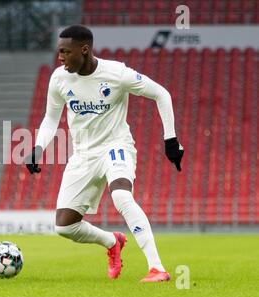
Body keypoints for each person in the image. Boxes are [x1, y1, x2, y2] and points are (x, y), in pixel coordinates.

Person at [24, 25, 184, 282]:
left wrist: (171, 139)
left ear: (84, 50)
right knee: (64, 226)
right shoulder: (59, 78)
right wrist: (38, 147)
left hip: (115, 146)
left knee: (121, 196)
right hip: (83, 154)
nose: (60, 58)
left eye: (65, 52)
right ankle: (112, 242)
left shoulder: (117, 74)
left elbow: (161, 94)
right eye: (59, 52)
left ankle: (157, 268)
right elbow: (50, 119)